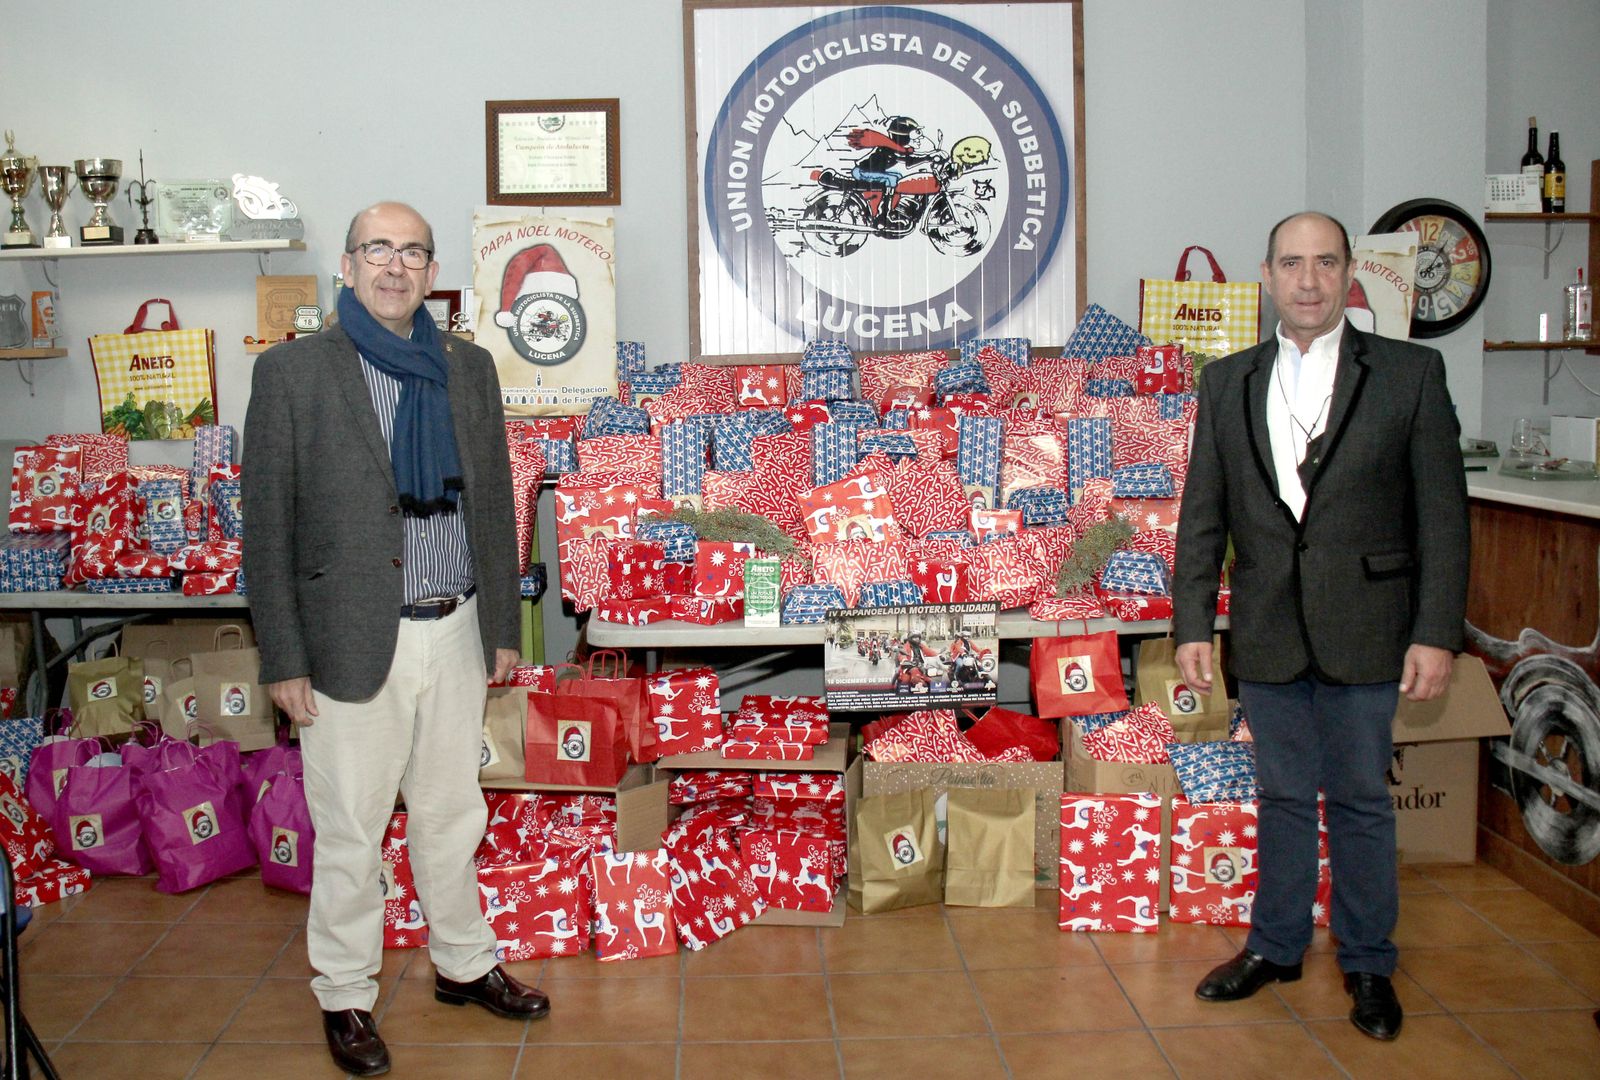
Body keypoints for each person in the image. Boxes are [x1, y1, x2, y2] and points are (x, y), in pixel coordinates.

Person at [243, 201, 546, 1077]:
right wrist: (285, 659)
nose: (394, 265)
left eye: (413, 252)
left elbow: (493, 504)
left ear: (430, 270)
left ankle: (463, 962)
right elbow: (266, 529)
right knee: (350, 828)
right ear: (347, 265)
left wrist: (499, 628)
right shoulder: (296, 374)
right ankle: (344, 993)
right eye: (378, 248)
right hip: (347, 640)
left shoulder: (467, 367)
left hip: (452, 628)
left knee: (453, 813)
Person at [1172, 211, 1468, 1043]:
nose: (1308, 280)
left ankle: (1370, 962)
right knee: (1282, 796)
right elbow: (1204, 512)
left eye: (1326, 263)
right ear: (1266, 275)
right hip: (1266, 628)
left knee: (1364, 801)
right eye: (1293, 263)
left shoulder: (1410, 374)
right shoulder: (1226, 381)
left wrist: (1436, 632)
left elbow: (1444, 518)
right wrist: (1194, 619)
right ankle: (1276, 947)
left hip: (1371, 628)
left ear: (1348, 276)